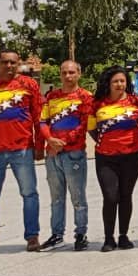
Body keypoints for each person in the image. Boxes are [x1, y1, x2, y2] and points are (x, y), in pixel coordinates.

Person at [0, 49, 44, 256]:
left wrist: (39, 145)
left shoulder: (29, 85)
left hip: (22, 149)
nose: (9, 66)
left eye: (13, 63)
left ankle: (32, 236)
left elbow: (38, 117)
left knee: (29, 194)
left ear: (18, 64)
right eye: (5, 62)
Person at [89, 66, 138, 252]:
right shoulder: (97, 104)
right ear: (108, 83)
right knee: (110, 196)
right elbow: (92, 128)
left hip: (132, 156)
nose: (119, 84)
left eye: (122, 81)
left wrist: (133, 140)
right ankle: (108, 238)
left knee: (125, 195)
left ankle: (123, 236)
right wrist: (106, 141)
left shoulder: (136, 102)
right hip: (106, 157)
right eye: (115, 81)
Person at [39, 60, 93, 252]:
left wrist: (62, 143)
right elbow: (43, 121)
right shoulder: (52, 96)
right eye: (64, 73)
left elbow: (84, 124)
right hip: (52, 155)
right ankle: (57, 235)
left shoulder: (85, 97)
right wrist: (50, 140)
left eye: (72, 72)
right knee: (56, 198)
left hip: (74, 153)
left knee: (78, 197)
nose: (68, 76)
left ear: (79, 73)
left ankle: (81, 234)